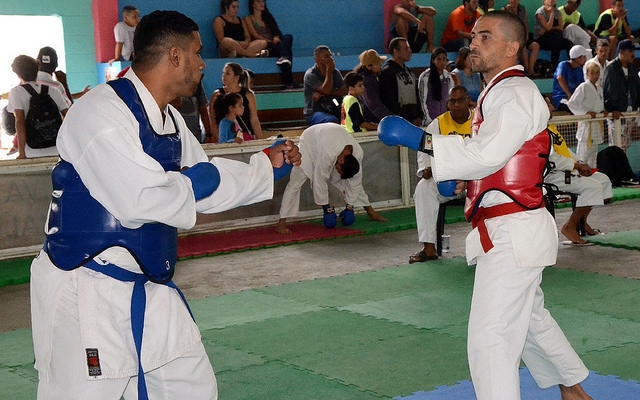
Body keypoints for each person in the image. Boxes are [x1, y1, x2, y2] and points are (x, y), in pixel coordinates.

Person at [29, 10, 301, 400]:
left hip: (150, 281)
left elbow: (203, 184)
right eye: (196, 52)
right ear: (174, 56)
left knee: (192, 387)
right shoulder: (101, 112)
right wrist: (193, 181)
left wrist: (264, 167)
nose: (203, 63)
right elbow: (138, 198)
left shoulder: (171, 120)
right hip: (86, 286)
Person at [378, 10, 593, 399]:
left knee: (490, 338)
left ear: (512, 48)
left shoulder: (515, 92)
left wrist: (422, 141)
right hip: (506, 229)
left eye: (485, 37)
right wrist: (473, 180)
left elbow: (487, 153)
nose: (473, 43)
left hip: (513, 233)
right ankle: (573, 390)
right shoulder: (497, 94)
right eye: (473, 36)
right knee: (528, 320)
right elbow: (499, 159)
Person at [276, 123, 386, 234]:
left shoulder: (358, 154)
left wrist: (350, 207)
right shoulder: (329, 153)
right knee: (296, 182)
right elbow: (319, 180)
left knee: (350, 180)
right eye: (338, 169)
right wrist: (326, 209)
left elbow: (355, 182)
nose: (336, 171)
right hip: (310, 141)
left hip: (329, 137)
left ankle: (371, 213)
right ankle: (281, 223)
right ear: (341, 161)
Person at [409, 85, 472, 264]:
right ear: (447, 104)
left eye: (460, 100)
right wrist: (427, 168)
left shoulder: (479, 121)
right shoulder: (438, 124)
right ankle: (429, 248)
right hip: (448, 181)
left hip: (476, 180)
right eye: (452, 101)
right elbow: (424, 148)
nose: (457, 105)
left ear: (468, 101)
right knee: (423, 189)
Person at [546, 124, 612, 244]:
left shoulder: (551, 128)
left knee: (603, 179)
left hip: (567, 169)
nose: (553, 107)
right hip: (552, 175)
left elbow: (566, 152)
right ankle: (569, 226)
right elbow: (551, 160)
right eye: (550, 104)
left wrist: (580, 163)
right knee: (592, 186)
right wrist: (576, 166)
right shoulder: (540, 131)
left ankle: (582, 221)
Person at [6, 55, 69, 160]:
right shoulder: (53, 91)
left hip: (32, 151)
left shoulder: (17, 92)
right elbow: (68, 117)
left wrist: (22, 153)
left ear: (18, 74)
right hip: (57, 148)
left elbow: (20, 122)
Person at [244, 0, 295, 89]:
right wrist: (270, 41)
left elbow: (277, 32)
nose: (262, 3)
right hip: (264, 45)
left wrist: (276, 37)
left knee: (288, 37)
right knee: (287, 51)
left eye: (263, 1)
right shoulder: (248, 18)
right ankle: (289, 81)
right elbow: (255, 35)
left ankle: (283, 58)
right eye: (259, 1)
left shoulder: (268, 18)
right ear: (253, 4)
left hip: (275, 45)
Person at [565, 62, 608, 167]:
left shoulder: (599, 88)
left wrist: (602, 111)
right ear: (587, 73)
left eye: (597, 73)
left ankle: (592, 175)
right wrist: (585, 113)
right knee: (583, 155)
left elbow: (599, 104)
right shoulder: (583, 86)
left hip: (596, 124)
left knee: (593, 155)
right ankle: (581, 176)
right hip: (586, 126)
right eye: (592, 73)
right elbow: (572, 103)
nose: (595, 76)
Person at [208, 62, 263, 143]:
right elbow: (213, 121)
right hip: (225, 137)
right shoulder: (217, 95)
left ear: (237, 77)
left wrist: (260, 140)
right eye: (223, 73)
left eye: (228, 73)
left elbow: (254, 119)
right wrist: (221, 142)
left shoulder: (248, 95)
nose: (223, 76)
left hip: (245, 138)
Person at [602, 39, 640, 145]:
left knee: (626, 144)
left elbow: (637, 88)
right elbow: (608, 91)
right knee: (616, 145)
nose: (633, 54)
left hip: (630, 113)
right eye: (630, 51)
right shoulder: (611, 68)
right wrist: (613, 109)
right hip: (617, 114)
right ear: (621, 52)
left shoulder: (633, 68)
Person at [379, 37, 423, 127]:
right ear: (396, 51)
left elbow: (416, 95)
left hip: (413, 119)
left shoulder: (409, 72)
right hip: (398, 121)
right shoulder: (388, 72)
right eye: (406, 48)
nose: (410, 51)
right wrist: (403, 118)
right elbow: (389, 100)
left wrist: (419, 115)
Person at [303, 45, 347, 126]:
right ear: (317, 59)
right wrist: (328, 71)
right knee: (332, 121)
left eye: (331, 55)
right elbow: (326, 90)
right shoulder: (310, 74)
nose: (330, 59)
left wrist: (329, 93)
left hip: (334, 108)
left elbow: (345, 90)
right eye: (326, 57)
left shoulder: (335, 72)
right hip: (315, 112)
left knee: (352, 118)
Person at [418, 47, 457, 124]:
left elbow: (450, 98)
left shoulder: (448, 76)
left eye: (444, 59)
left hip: (444, 119)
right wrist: (428, 120)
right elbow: (422, 101)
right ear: (433, 60)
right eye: (438, 59)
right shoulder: (425, 77)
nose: (442, 62)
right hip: (430, 120)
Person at [502, 0, 540, 77]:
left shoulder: (522, 9)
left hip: (522, 35)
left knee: (535, 45)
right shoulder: (504, 10)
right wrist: (512, 12)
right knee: (522, 47)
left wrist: (526, 36)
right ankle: (527, 69)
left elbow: (525, 23)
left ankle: (531, 69)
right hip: (512, 37)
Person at [354, 49, 392, 123]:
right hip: (371, 121)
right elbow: (374, 105)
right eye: (378, 63)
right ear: (369, 66)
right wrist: (392, 118)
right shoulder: (367, 81)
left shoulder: (367, 78)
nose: (381, 65)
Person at [533, 0, 573, 68]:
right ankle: (554, 65)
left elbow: (561, 27)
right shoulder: (540, 13)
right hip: (541, 39)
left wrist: (550, 28)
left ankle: (572, 65)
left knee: (569, 44)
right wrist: (552, 14)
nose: (551, 1)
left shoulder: (558, 12)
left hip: (555, 38)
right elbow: (548, 27)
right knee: (556, 39)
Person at [552, 44, 588, 112]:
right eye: (584, 57)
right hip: (561, 99)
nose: (585, 59)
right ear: (578, 58)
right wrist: (569, 94)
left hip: (574, 100)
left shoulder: (580, 70)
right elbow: (560, 78)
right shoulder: (563, 65)